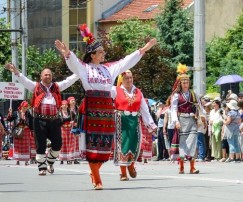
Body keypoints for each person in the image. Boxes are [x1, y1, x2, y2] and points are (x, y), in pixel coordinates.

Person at [54, 24, 157, 190]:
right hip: (92, 108)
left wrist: (145, 48)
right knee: (92, 144)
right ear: (93, 55)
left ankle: (95, 171)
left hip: (107, 109)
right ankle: (97, 178)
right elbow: (73, 63)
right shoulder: (85, 67)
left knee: (107, 144)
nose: (104, 54)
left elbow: (126, 61)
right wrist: (66, 52)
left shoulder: (109, 68)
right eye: (101, 52)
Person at [4, 64, 79, 175]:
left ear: (52, 76)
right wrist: (15, 71)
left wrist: (80, 73)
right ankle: (42, 168)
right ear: (41, 76)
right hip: (39, 120)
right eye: (45, 75)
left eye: (49, 75)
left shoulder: (57, 86)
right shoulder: (36, 86)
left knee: (57, 145)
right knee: (41, 145)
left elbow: (69, 80)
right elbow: (24, 80)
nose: (48, 76)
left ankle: (50, 161)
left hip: (54, 120)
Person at [113, 70, 157, 181]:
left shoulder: (138, 92)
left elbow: (144, 109)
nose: (129, 80)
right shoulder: (115, 90)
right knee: (122, 145)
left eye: (131, 78)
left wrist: (151, 125)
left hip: (134, 121)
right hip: (121, 121)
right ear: (121, 80)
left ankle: (131, 165)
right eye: (127, 78)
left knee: (134, 144)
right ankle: (123, 173)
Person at [169, 64, 199, 174]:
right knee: (182, 143)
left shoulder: (193, 94)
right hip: (181, 120)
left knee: (193, 142)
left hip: (192, 120)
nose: (186, 84)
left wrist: (202, 118)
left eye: (187, 82)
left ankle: (192, 167)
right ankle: (181, 166)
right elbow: (173, 109)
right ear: (180, 83)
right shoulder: (177, 95)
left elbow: (199, 106)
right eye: (184, 82)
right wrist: (176, 121)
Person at [7, 102, 35, 167]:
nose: (25, 108)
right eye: (24, 107)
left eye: (26, 107)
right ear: (21, 106)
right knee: (18, 146)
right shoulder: (16, 113)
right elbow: (9, 119)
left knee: (26, 146)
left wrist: (33, 130)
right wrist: (10, 113)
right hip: (18, 131)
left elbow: (31, 122)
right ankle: (17, 160)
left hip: (26, 132)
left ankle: (26, 161)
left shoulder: (28, 114)